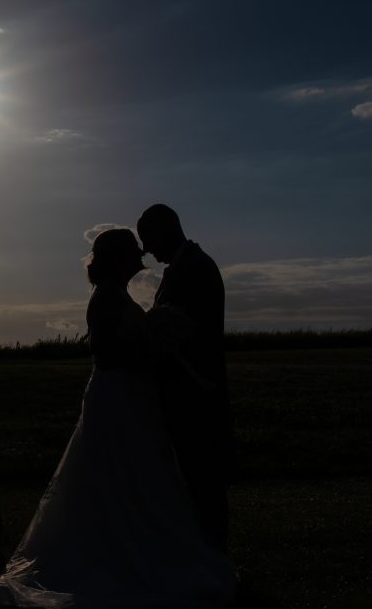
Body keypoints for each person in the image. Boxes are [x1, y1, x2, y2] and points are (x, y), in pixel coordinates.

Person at [0, 228, 235, 608]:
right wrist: (152, 348)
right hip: (117, 400)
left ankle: (139, 546)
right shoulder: (106, 298)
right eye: (133, 249)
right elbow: (108, 356)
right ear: (119, 258)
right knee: (120, 474)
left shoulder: (115, 294)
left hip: (129, 400)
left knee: (134, 476)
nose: (142, 252)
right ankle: (119, 556)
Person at [137, 204, 234, 552]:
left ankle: (212, 557)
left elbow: (187, 332)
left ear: (165, 231)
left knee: (202, 478)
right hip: (183, 392)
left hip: (195, 392)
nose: (147, 249)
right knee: (192, 479)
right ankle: (202, 553)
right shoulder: (183, 266)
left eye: (148, 239)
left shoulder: (195, 268)